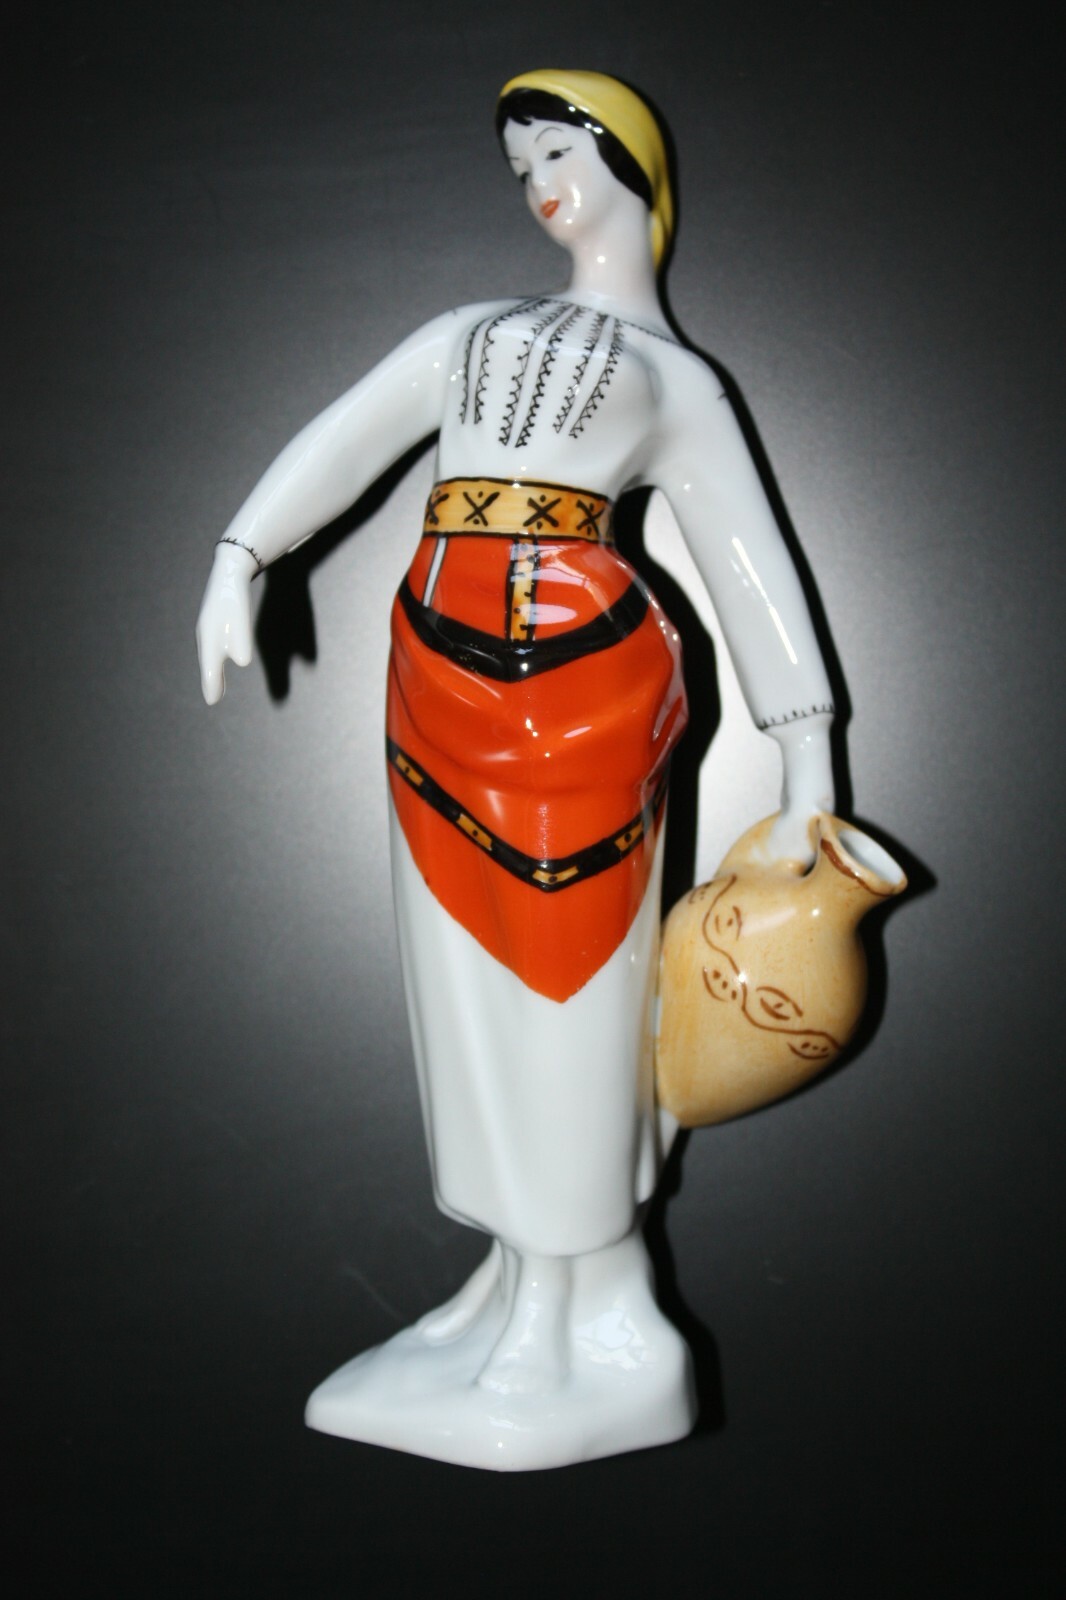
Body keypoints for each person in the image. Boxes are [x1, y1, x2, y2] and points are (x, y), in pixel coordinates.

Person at [196, 70, 835, 1470]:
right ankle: (514, 1274)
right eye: (521, 166)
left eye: (560, 154)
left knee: (577, 989)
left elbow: (751, 568)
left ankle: (585, 1310)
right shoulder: (468, 333)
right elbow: (347, 440)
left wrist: (808, 758)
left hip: (588, 687)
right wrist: (244, 551)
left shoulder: (675, 381)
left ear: (633, 168)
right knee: (461, 986)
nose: (541, 185)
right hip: (433, 678)